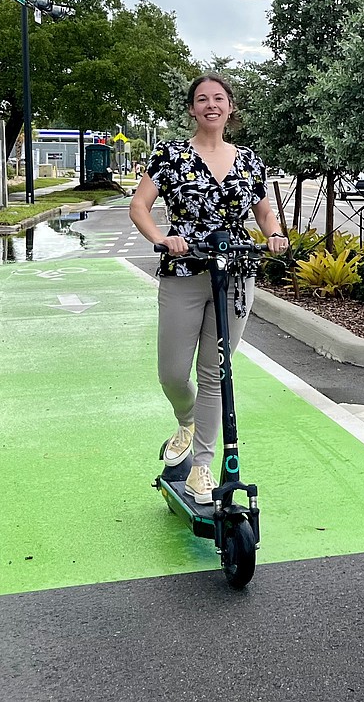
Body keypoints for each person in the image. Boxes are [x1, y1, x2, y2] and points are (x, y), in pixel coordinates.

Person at [129, 73, 288, 503]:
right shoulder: (171, 154)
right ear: (192, 109)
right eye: (202, 99)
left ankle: (202, 466)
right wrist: (162, 239)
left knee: (217, 373)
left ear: (230, 107)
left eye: (219, 98)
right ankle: (187, 419)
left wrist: (274, 234)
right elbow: (139, 206)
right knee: (173, 372)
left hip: (235, 274)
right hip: (184, 271)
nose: (211, 105)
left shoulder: (249, 159)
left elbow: (265, 212)